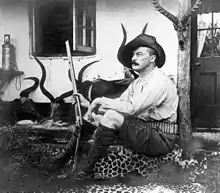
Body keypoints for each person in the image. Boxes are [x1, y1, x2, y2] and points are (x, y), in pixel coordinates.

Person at [74, 33, 179, 179]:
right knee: (98, 116)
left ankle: (87, 171)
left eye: (139, 54)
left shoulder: (159, 81)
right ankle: (73, 153)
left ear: (152, 59)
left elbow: (131, 108)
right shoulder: (138, 82)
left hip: (160, 137)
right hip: (144, 129)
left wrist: (100, 100)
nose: (133, 58)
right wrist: (88, 104)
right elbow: (121, 105)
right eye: (133, 55)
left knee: (111, 117)